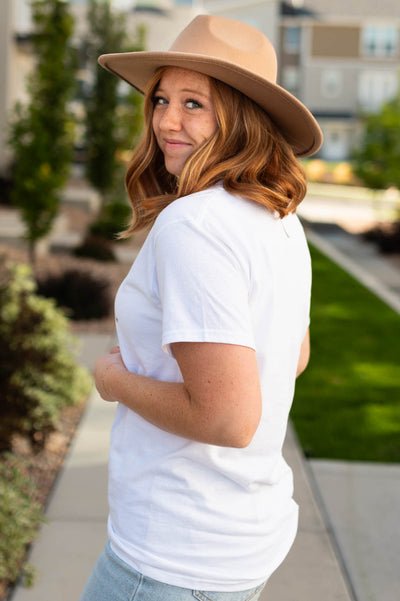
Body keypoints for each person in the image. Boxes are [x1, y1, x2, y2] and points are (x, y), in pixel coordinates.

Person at [80, 14, 322, 601]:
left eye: (195, 103)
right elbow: (293, 356)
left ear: (243, 117)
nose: (165, 120)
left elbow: (226, 421)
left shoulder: (196, 224)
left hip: (170, 555)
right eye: (162, 98)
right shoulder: (280, 218)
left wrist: (115, 379)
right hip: (235, 539)